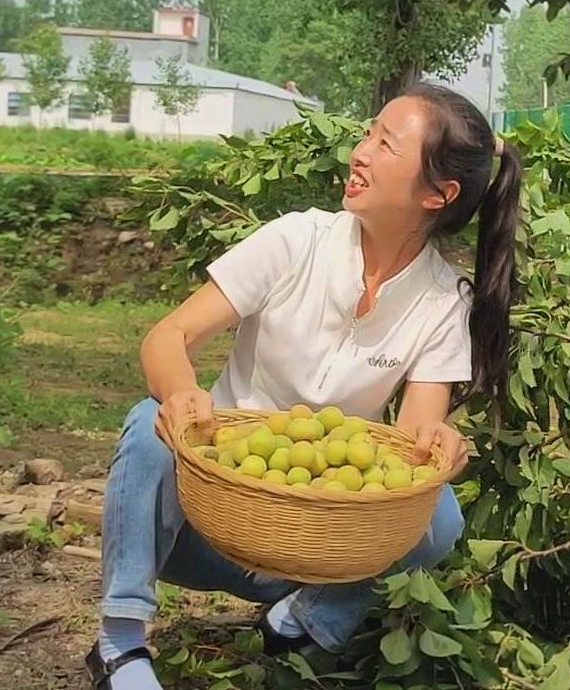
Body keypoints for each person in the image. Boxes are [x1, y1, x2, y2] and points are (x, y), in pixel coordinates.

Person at [87, 84, 522, 690]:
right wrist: (183, 394)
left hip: (318, 547)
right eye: (368, 134)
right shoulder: (296, 241)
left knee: (438, 513)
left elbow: (414, 437)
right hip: (209, 522)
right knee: (148, 422)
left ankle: (300, 622)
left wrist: (438, 446)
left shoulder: (444, 301)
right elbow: (167, 337)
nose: (360, 152)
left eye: (385, 144)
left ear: (437, 193)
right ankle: (120, 644)